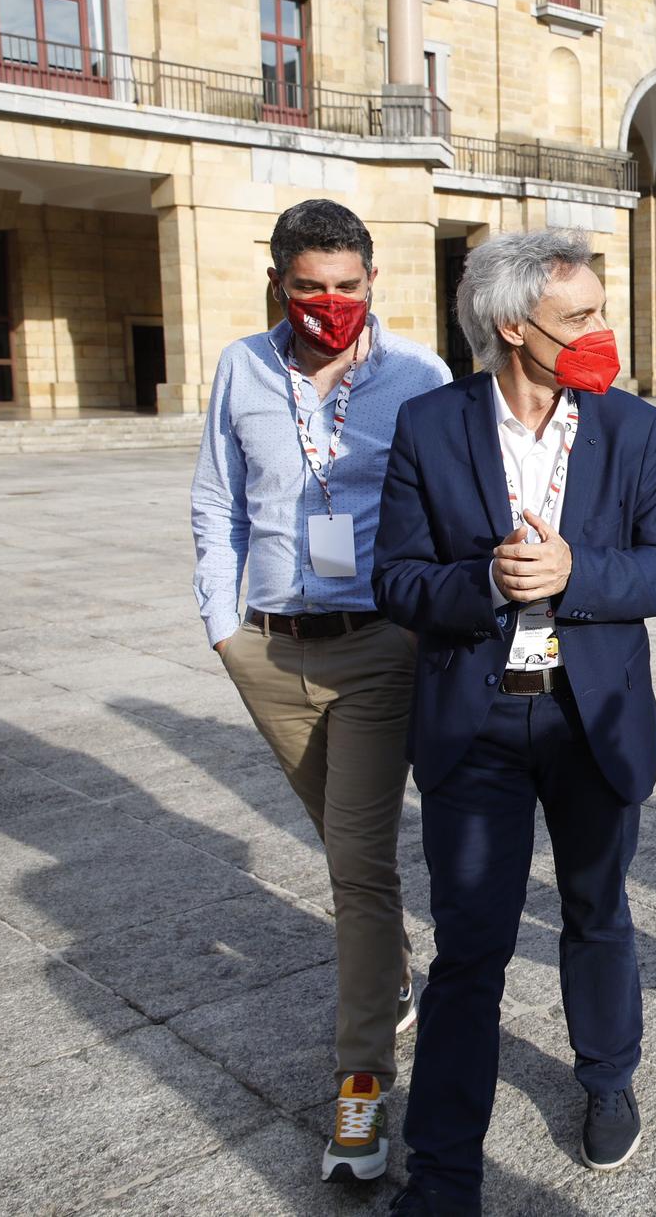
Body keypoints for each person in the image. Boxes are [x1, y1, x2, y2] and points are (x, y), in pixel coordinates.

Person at [373, 228, 656, 1215]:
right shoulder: (431, 427)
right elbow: (392, 577)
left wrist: (576, 574)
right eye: (582, 317)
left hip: (590, 715)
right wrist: (481, 583)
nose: (602, 331)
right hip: (475, 725)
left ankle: (605, 1078)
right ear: (514, 328)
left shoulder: (632, 428)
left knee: (597, 910)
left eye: (600, 310)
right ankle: (442, 1166)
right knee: (470, 945)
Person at [190, 199, 451, 1184]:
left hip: (380, 646)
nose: (330, 305)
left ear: (371, 284)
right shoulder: (239, 369)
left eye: (347, 288)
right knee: (343, 848)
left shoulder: (417, 375)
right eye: (311, 288)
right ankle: (389, 975)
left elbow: (456, 500)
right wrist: (221, 624)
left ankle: (358, 1090)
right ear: (279, 284)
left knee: (357, 866)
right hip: (269, 652)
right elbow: (216, 496)